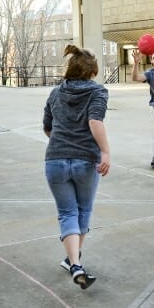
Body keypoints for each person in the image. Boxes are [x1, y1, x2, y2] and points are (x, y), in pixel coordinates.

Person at [43, 45, 110, 289]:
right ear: (92, 72)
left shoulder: (54, 93)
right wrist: (105, 151)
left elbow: (47, 127)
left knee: (67, 213)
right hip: (85, 161)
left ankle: (73, 262)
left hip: (55, 161)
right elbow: (95, 120)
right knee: (83, 211)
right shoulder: (98, 91)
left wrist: (63, 144)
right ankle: (74, 262)